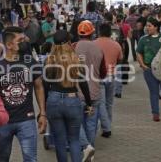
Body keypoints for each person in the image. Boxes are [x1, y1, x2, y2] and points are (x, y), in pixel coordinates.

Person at [0, 26, 47, 162]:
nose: (25, 42)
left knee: (31, 159)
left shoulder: (30, 62)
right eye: (20, 40)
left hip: (27, 119)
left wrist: (42, 113)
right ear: (9, 45)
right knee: (1, 158)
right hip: (3, 122)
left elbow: (39, 87)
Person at [44, 30, 93, 162]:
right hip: (72, 100)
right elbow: (83, 84)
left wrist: (43, 108)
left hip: (53, 100)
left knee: (60, 141)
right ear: (69, 42)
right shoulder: (76, 59)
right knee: (74, 140)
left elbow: (45, 85)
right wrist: (89, 103)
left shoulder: (49, 60)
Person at [75, 21, 107, 161]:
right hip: (94, 91)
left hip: (77, 92)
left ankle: (85, 147)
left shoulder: (73, 47)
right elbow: (103, 72)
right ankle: (90, 149)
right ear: (93, 33)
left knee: (77, 123)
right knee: (91, 123)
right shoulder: (98, 49)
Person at [136, 17, 161, 122]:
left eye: (149, 26)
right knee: (154, 92)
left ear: (156, 27)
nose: (147, 28)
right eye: (146, 26)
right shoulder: (143, 39)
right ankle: (155, 114)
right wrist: (142, 65)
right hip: (149, 69)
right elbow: (138, 52)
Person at [94, 23, 123, 138]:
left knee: (100, 103)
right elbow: (120, 59)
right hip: (111, 76)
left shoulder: (94, 44)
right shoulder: (116, 45)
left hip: (98, 77)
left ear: (99, 31)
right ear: (110, 33)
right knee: (109, 103)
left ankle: (106, 128)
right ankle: (107, 125)